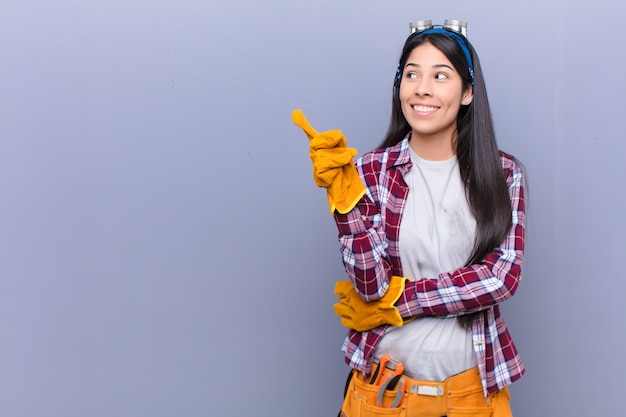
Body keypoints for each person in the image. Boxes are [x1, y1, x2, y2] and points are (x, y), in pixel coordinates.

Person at [292, 19, 526, 417]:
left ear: (468, 92)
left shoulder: (502, 174)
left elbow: (500, 279)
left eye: (440, 75)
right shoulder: (369, 171)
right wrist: (344, 205)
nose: (423, 88)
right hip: (384, 396)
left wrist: (400, 301)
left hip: (471, 398)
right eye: (412, 74)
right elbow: (371, 287)